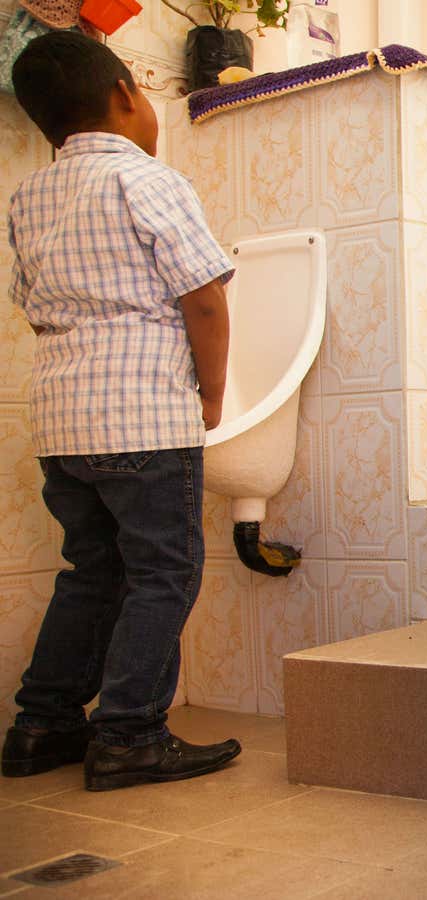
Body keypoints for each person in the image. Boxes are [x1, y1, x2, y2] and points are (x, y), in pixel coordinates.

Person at [1, 32, 242, 791]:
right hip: (142, 416)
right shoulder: (148, 179)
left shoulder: (28, 195)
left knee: (91, 570)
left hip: (62, 421)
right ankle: (131, 733)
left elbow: (35, 310)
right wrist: (210, 393)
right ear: (126, 95)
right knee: (163, 573)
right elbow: (203, 296)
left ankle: (41, 725)